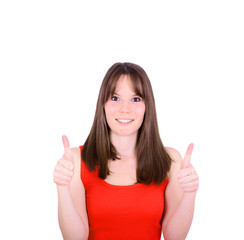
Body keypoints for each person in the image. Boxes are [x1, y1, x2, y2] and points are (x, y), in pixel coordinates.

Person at [53, 62, 199, 240]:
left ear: (147, 106)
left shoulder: (170, 160)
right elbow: (75, 238)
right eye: (115, 98)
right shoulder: (76, 160)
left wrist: (190, 194)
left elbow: (174, 237)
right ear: (103, 104)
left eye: (135, 99)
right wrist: (63, 188)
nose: (125, 109)